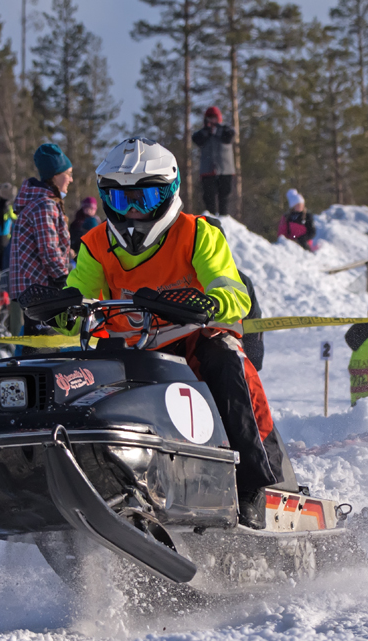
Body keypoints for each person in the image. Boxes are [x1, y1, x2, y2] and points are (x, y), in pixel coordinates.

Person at [50, 136, 280, 527]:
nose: (134, 212)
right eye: (122, 201)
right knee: (73, 380)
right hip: (130, 350)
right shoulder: (95, 244)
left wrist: (212, 302)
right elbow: (81, 299)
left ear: (169, 192)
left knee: (226, 362)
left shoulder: (198, 233)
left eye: (145, 199)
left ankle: (260, 489)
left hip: (192, 337)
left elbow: (231, 288)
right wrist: (58, 308)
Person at [11, 143, 74, 305]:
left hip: (33, 289)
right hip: (41, 291)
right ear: (56, 175)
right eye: (68, 174)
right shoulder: (44, 206)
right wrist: (62, 279)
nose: (71, 179)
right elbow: (49, 248)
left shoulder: (40, 203)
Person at [192, 106, 236, 216]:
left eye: (214, 118)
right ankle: (210, 217)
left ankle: (224, 217)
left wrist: (217, 130)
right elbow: (196, 139)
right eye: (209, 118)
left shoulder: (225, 131)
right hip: (208, 170)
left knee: (224, 196)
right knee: (208, 197)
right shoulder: (203, 133)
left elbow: (230, 136)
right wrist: (207, 131)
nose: (212, 121)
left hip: (225, 170)